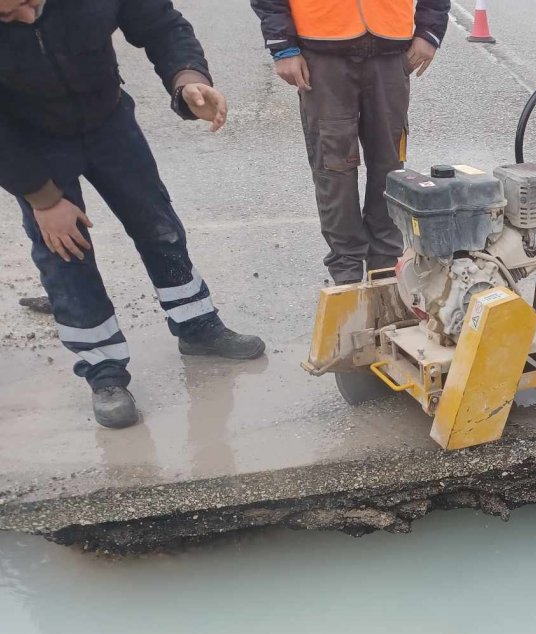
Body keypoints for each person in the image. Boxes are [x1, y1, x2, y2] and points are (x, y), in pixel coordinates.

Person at [0, 0, 266, 429]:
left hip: (108, 120)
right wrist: (42, 198)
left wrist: (188, 80)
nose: (21, 18)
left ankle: (196, 325)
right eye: (7, 17)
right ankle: (104, 372)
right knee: (66, 253)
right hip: (31, 143)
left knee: (158, 225)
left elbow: (162, 26)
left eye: (24, 6)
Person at [250, 0, 450, 285]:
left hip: (391, 50)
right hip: (321, 52)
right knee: (334, 168)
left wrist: (429, 31)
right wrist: (282, 44)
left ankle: (385, 269)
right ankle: (347, 275)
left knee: (390, 168)